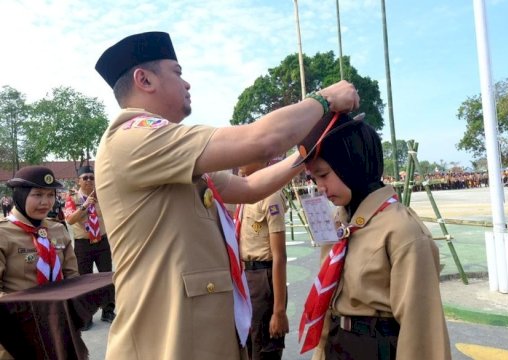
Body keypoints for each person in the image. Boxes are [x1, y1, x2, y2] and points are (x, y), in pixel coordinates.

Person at [93, 31, 359, 360]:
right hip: (164, 343)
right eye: (177, 72)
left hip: (193, 338)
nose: (187, 83)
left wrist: (307, 151)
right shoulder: (134, 139)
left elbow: (248, 188)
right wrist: (325, 100)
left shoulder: (166, 150)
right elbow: (263, 140)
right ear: (144, 79)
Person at [296, 113, 451, 360]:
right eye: (314, 178)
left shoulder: (402, 230)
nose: (320, 187)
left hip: (375, 347)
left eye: (324, 174)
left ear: (352, 163)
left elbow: (421, 327)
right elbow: (328, 298)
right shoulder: (340, 221)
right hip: (338, 344)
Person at [0, 166, 79, 359]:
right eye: (37, 194)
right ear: (20, 195)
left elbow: (73, 277)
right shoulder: (3, 234)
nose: (45, 202)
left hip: (59, 326)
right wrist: (26, 309)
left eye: (50, 195)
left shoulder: (58, 230)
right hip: (17, 331)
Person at [237, 161, 289, 360]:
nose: (241, 160)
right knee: (248, 346)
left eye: (248, 155)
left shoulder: (271, 195)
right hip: (247, 277)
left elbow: (279, 256)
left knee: (264, 349)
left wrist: (279, 311)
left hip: (264, 279)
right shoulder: (247, 194)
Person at [64, 165, 116, 327]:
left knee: (107, 277)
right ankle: (86, 315)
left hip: (102, 241)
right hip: (83, 244)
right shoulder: (71, 198)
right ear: (78, 181)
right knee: (84, 280)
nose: (88, 180)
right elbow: (70, 220)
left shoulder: (104, 196)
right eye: (85, 177)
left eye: (91, 177)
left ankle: (108, 311)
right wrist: (85, 205)